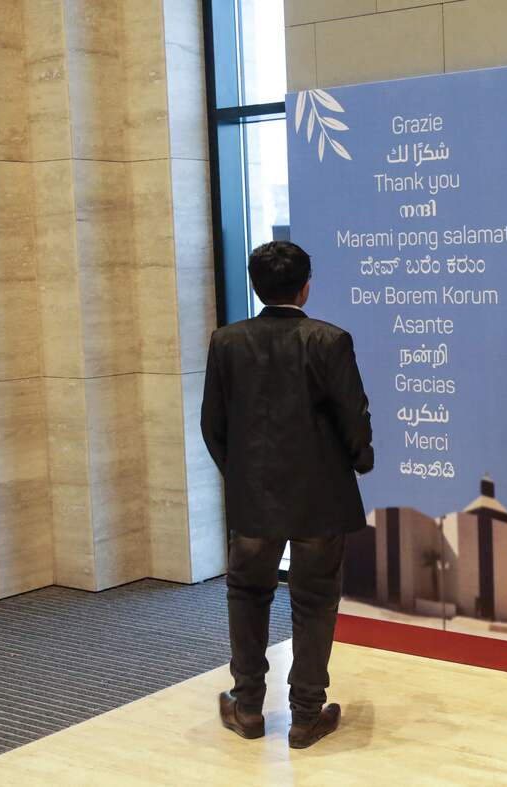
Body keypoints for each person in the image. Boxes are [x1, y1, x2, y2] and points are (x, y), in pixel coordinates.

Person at [201, 240, 375, 748]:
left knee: (247, 595)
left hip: (253, 499)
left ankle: (248, 707)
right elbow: (352, 415)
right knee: (315, 600)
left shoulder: (226, 341)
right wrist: (360, 459)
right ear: (306, 285)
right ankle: (305, 715)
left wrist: (239, 475)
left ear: (257, 285)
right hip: (320, 497)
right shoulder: (330, 339)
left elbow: (214, 424)